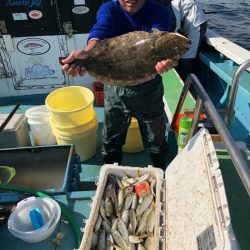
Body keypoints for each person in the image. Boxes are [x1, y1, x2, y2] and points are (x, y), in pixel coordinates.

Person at [62, 0, 177, 169]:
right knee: (111, 140)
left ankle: (162, 172)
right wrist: (87, 52)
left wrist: (167, 60)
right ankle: (110, 173)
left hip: (149, 90)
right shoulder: (109, 8)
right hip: (115, 89)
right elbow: (101, 29)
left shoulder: (161, 13)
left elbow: (159, 42)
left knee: (157, 141)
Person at [156, 0, 208, 81]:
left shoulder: (168, 9)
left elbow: (174, 28)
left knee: (188, 56)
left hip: (196, 22)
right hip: (184, 19)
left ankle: (186, 82)